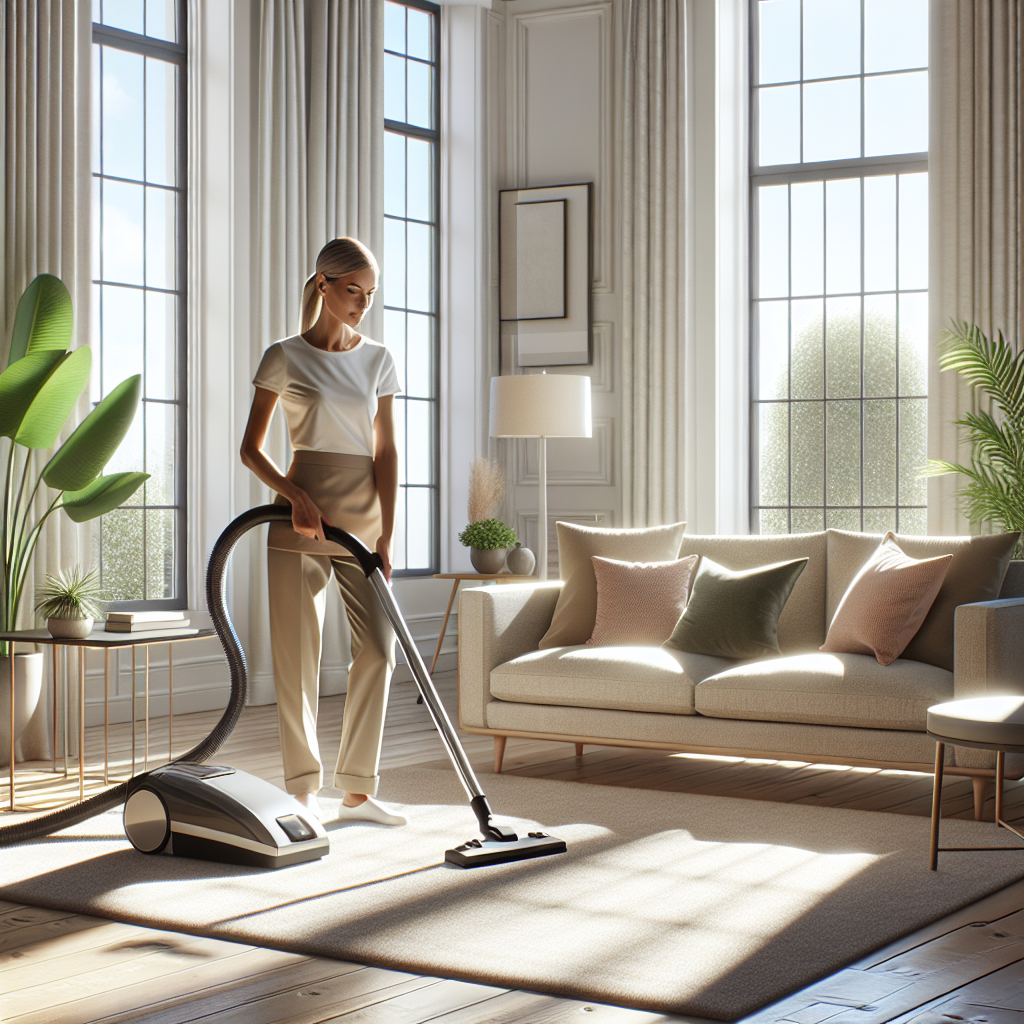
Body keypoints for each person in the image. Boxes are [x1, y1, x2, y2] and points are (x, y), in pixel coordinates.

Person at [240, 237, 406, 825]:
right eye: (352, 291)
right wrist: (296, 496)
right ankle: (303, 791)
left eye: (370, 294)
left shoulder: (379, 358)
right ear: (323, 285)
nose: (362, 304)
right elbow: (252, 451)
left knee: (379, 650)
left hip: (363, 513)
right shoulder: (284, 356)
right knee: (297, 655)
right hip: (298, 515)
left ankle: (358, 790)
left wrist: (387, 533)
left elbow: (386, 452)